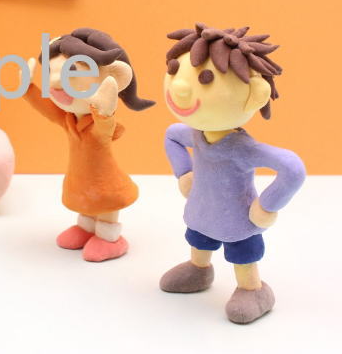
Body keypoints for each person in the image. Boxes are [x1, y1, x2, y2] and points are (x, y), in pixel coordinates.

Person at [160, 23, 305, 324]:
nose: (180, 87)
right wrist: (184, 174)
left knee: (242, 254)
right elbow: (172, 136)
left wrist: (267, 206)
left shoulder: (242, 147)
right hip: (202, 211)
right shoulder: (196, 134)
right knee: (198, 239)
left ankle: (254, 290)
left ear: (255, 95)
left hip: (237, 219)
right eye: (175, 71)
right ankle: (199, 269)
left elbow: (292, 168)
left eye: (206, 79)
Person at [23, 28, 154, 261]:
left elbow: (104, 131)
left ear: (114, 78)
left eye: (71, 71)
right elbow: (47, 109)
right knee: (86, 205)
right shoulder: (69, 120)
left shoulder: (97, 124)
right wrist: (27, 87)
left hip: (106, 183)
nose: (55, 81)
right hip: (82, 181)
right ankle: (86, 228)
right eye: (51, 71)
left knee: (105, 207)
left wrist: (104, 111)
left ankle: (109, 238)